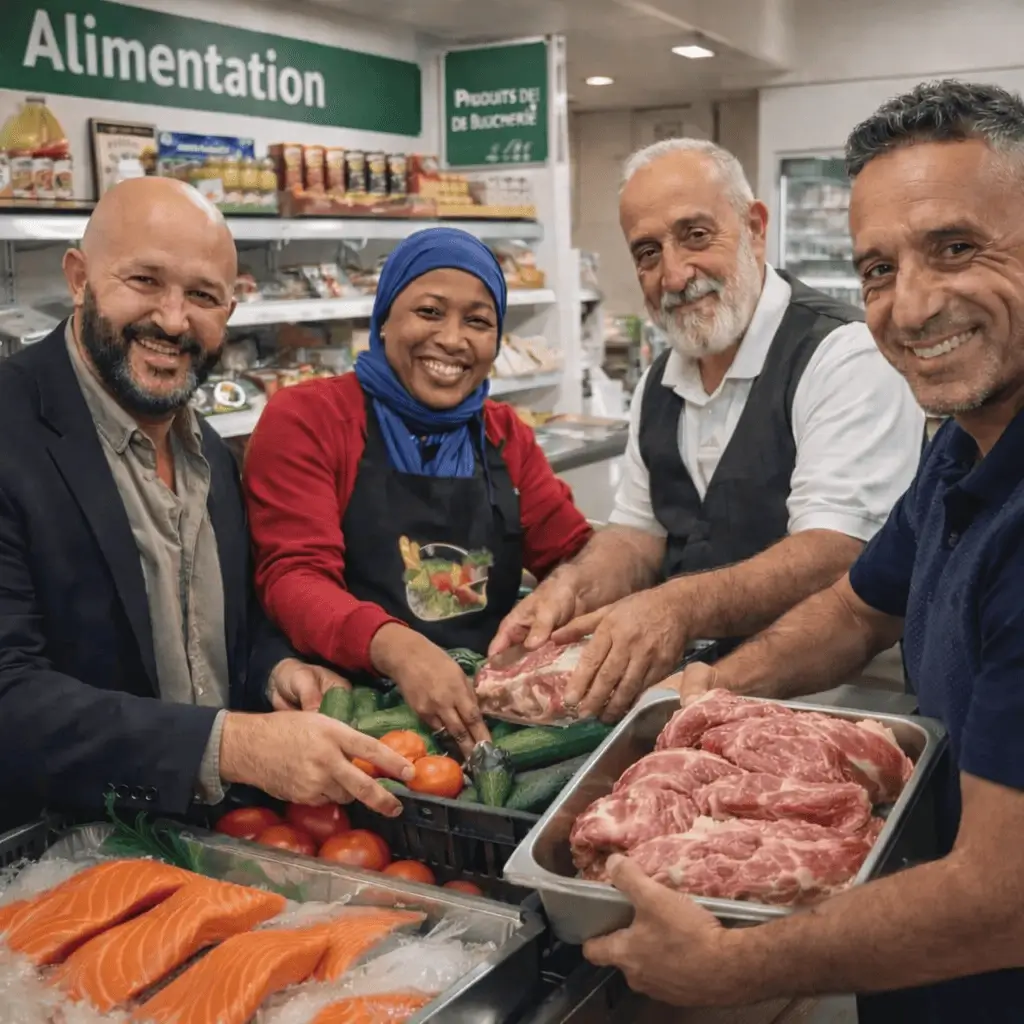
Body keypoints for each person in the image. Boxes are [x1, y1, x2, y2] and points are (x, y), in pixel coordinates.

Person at [584, 80, 1024, 1024]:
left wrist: (733, 965)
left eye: (956, 248)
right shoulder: (964, 448)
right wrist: (715, 696)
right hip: (926, 957)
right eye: (878, 269)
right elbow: (860, 606)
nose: (911, 306)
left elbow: (1003, 898)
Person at [0, 177, 412, 833]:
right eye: (145, 281)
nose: (173, 320)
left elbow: (218, 632)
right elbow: (10, 693)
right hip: (51, 850)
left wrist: (274, 670)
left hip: (205, 839)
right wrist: (229, 746)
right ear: (79, 278)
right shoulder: (13, 428)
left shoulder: (210, 453)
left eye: (202, 296)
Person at [490, 138, 924, 722]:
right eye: (648, 252)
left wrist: (677, 606)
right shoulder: (660, 381)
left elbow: (837, 551)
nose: (674, 275)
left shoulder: (843, 355)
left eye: (695, 235)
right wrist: (573, 585)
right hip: (694, 700)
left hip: (831, 707)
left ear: (755, 228)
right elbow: (637, 535)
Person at [244, 228, 593, 754]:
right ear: (384, 317)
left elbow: (574, 554)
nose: (453, 339)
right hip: (351, 718)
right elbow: (294, 577)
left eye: (478, 321)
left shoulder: (504, 435)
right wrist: (396, 648)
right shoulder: (310, 418)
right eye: (430, 312)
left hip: (483, 713)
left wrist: (572, 591)